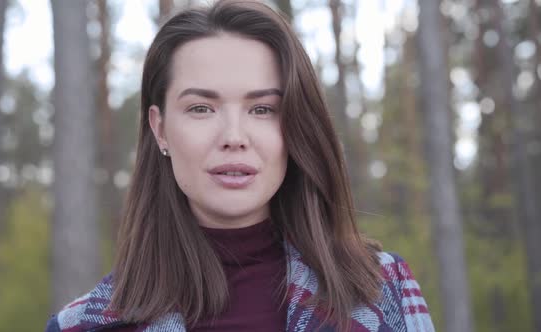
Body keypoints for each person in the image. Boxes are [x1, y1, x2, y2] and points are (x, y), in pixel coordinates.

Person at [46, 1, 434, 331]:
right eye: (201, 108)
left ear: (295, 126)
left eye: (262, 109)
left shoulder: (383, 291)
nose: (234, 135)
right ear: (160, 129)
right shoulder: (82, 324)